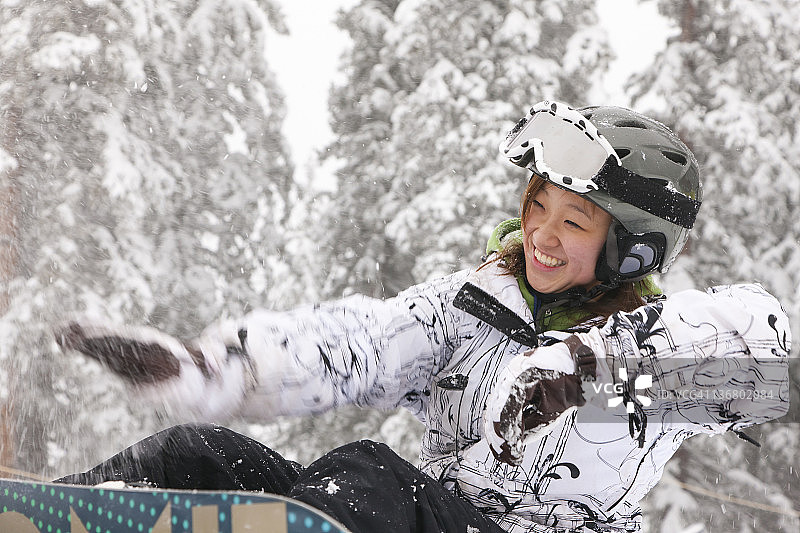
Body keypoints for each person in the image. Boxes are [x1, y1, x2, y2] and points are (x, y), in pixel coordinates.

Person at [55, 100, 790, 533]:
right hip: (431, 519)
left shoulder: (656, 374)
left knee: (373, 472)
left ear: (632, 247)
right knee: (200, 452)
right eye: (538, 204)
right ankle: (57, 514)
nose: (541, 231)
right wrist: (211, 366)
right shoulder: (473, 308)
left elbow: (767, 365)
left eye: (575, 220)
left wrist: (585, 370)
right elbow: (360, 345)